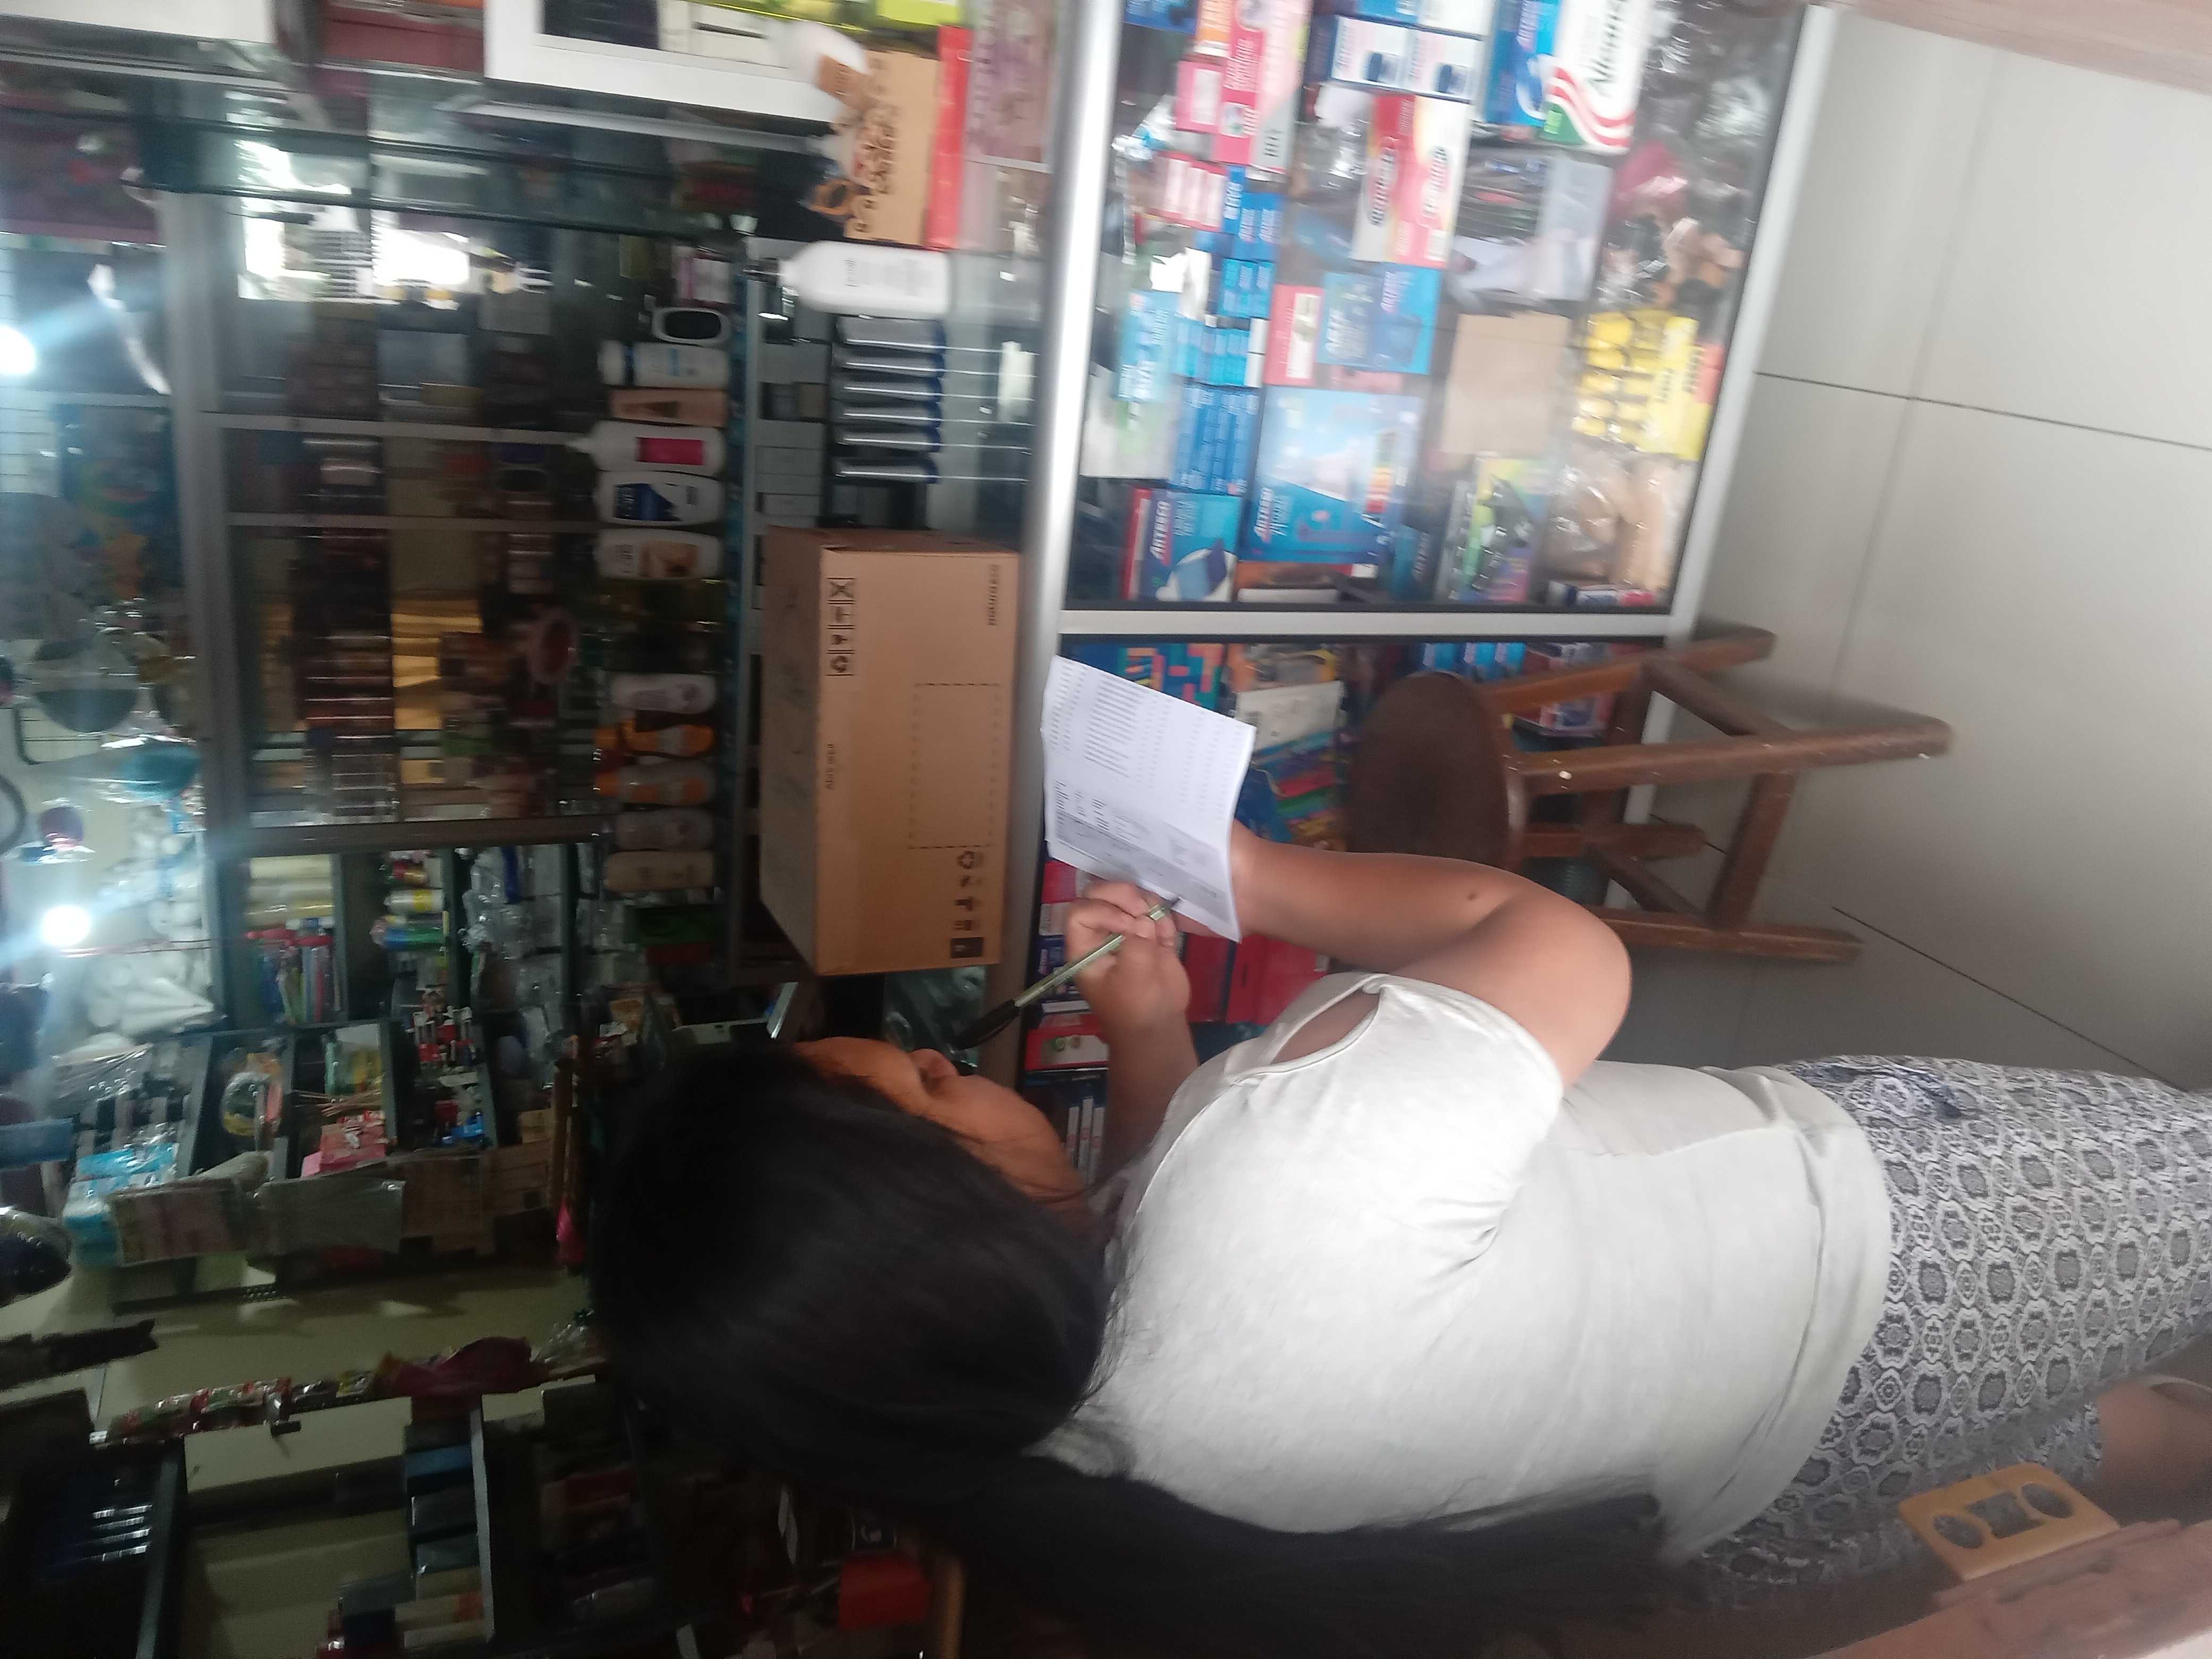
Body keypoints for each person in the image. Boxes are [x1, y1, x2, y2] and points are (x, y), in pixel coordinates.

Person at [592, 828, 2212, 1656]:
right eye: (938, 1089)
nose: (970, 1066)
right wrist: (1244, 875)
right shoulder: (1276, 1174)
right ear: (923, 1235)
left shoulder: (1040, 1462)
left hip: (1759, 1497)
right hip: (1895, 1260)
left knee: (2131, 1446)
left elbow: (1186, 1314)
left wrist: (1149, 1035)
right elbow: (1545, 943)